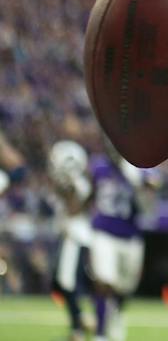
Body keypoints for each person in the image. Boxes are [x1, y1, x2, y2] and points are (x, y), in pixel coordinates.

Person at [88, 143, 159, 341]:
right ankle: (100, 333)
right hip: (104, 232)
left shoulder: (142, 168)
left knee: (124, 288)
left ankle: (117, 311)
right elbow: (90, 193)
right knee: (104, 280)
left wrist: (140, 181)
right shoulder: (99, 167)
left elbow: (152, 197)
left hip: (130, 236)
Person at [47, 140, 93, 341]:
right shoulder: (66, 182)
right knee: (62, 283)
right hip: (69, 236)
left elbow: (74, 208)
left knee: (68, 282)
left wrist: (67, 183)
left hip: (77, 237)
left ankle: (79, 326)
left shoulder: (79, 183)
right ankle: (81, 321)